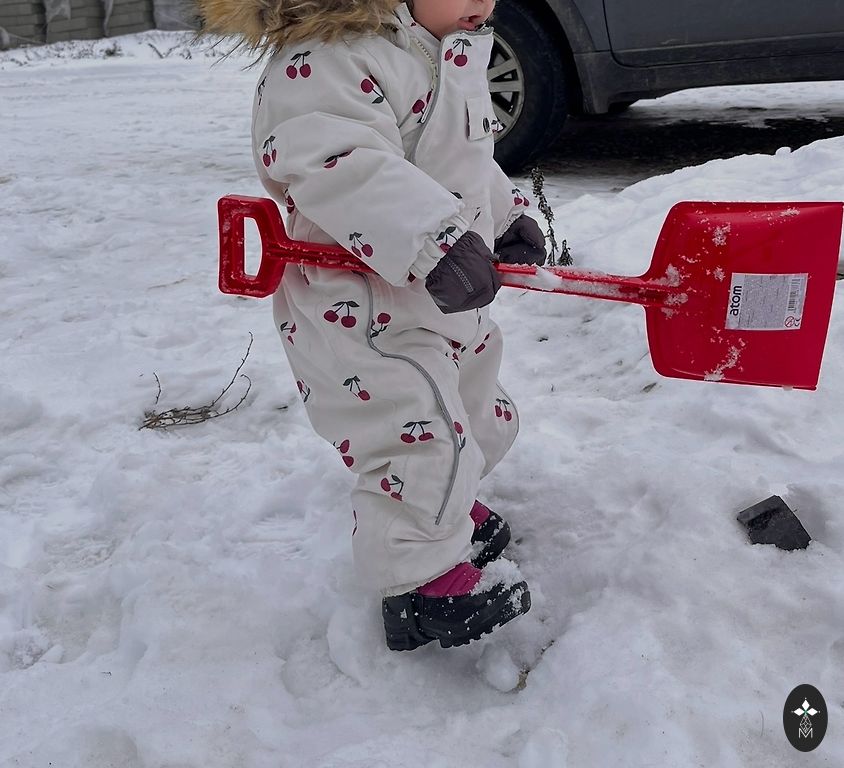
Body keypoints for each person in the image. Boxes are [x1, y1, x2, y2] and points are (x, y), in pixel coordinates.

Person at [198, 0, 547, 650]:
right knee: (416, 427)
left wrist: (504, 217)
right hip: (362, 298)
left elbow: (463, 155)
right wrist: (435, 238)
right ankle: (418, 584)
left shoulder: (436, 47)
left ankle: (441, 511)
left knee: (472, 406)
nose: (483, 3)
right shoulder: (328, 58)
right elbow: (339, 163)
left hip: (435, 288)